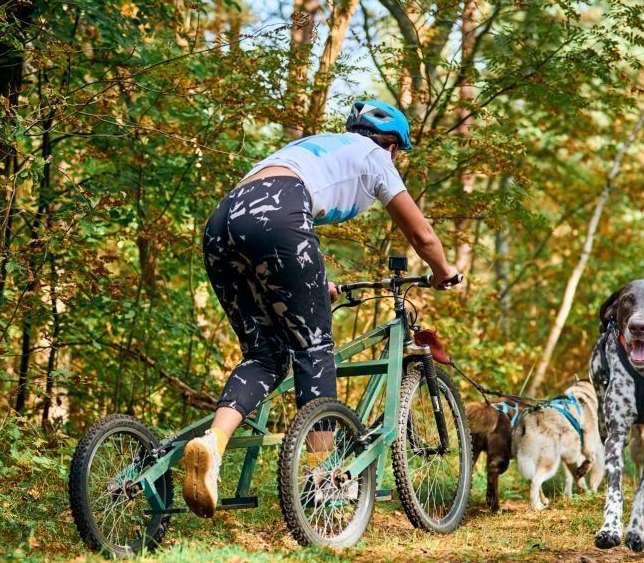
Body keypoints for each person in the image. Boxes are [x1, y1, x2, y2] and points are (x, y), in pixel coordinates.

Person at [182, 100, 461, 517]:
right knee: (314, 349)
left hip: (223, 222)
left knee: (266, 354)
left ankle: (212, 445)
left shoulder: (314, 147)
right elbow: (421, 235)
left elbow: (271, 222)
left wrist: (315, 283)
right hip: (280, 214)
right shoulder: (375, 158)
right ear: (391, 146)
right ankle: (322, 477)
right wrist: (443, 270)